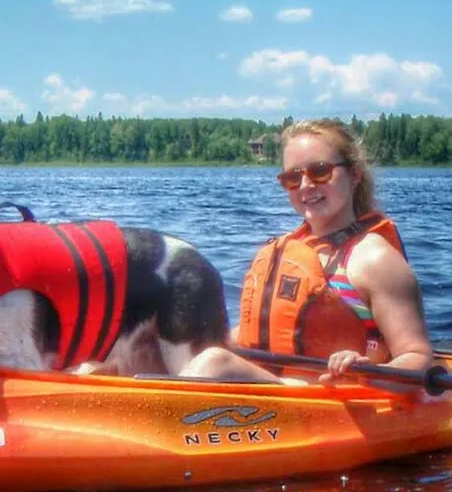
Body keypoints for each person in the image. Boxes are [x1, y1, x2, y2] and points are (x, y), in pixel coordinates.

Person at [181, 118, 433, 385]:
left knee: (215, 364)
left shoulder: (374, 259)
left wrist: (363, 374)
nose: (305, 185)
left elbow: (417, 358)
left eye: (320, 171)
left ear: (354, 174)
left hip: (334, 402)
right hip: (278, 396)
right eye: (292, 177)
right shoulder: (287, 249)